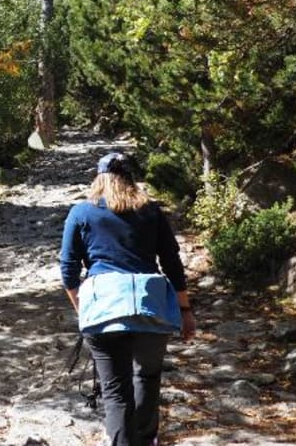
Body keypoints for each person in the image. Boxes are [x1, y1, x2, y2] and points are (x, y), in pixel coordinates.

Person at [60, 152, 196, 446]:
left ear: (99, 178)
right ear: (131, 179)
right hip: (150, 305)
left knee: (115, 391)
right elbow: (172, 263)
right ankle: (146, 440)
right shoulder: (151, 211)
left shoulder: (81, 213)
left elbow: (68, 270)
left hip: (104, 307)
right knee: (147, 377)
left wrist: (83, 309)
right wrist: (185, 310)